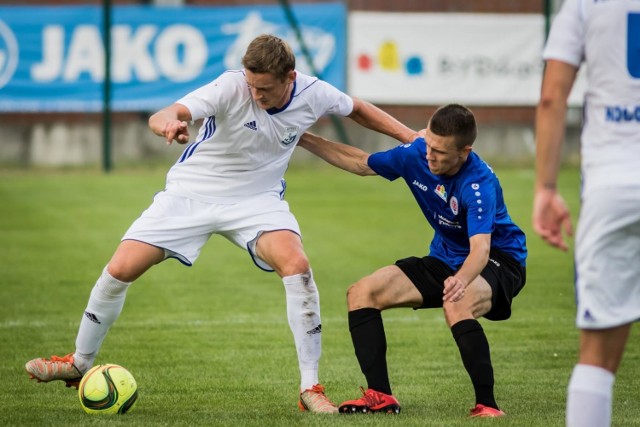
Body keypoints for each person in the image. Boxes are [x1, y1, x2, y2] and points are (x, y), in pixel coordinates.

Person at [24, 34, 416, 414]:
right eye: (252, 85)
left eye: (264, 89)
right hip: (191, 192)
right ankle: (78, 363)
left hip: (257, 201)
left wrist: (410, 136)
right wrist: (168, 125)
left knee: (297, 267)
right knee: (120, 268)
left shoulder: (315, 92)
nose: (255, 95)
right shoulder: (231, 86)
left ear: (290, 79)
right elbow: (168, 113)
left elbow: (358, 108)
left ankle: (310, 387)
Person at [298, 104, 527, 417]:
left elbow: (481, 251)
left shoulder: (478, 184)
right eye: (429, 145)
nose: (430, 156)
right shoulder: (417, 154)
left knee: (457, 303)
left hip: (500, 261)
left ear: (465, 151)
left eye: (441, 152)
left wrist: (460, 281)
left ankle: (487, 405)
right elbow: (360, 163)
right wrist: (302, 138)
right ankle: (380, 397)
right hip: (445, 258)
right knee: (362, 293)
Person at [533, 1, 640, 425]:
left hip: (610, 186)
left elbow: (551, 97)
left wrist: (546, 188)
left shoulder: (583, 4)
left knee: (596, 358)